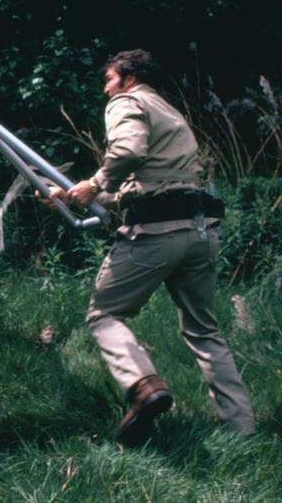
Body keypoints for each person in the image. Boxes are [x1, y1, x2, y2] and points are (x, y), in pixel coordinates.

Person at [50, 49, 256, 445]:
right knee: (204, 330)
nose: (105, 89)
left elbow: (128, 153)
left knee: (104, 313)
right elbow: (148, 185)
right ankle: (241, 427)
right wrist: (78, 194)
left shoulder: (127, 102)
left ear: (127, 78)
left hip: (157, 234)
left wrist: (94, 184)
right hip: (199, 232)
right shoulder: (170, 113)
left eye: (108, 80)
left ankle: (144, 387)